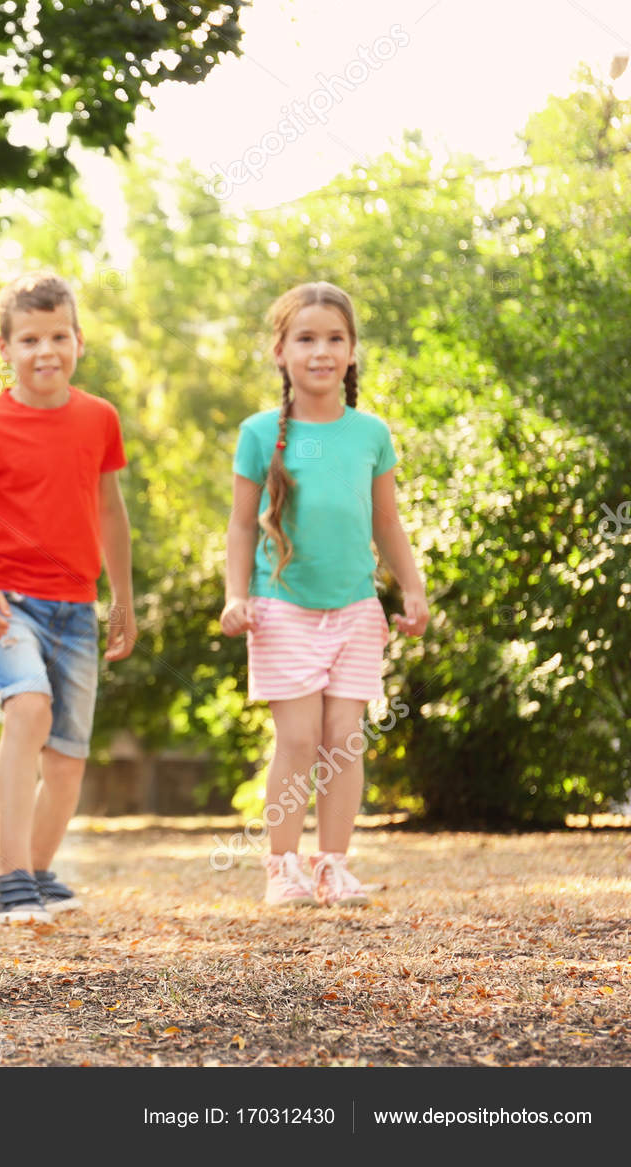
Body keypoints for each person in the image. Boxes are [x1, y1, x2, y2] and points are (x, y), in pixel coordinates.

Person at [220, 281, 428, 907]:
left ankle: (332, 866)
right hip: (282, 606)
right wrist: (236, 595)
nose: (321, 351)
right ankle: (282, 867)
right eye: (306, 338)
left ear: (353, 351)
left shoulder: (370, 433)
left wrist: (410, 588)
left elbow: (386, 521)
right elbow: (238, 524)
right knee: (300, 740)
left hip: (356, 609)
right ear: (280, 351)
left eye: (335, 338)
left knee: (345, 739)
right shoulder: (260, 433)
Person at [0, 272, 135, 925]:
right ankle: (10, 877)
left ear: (78, 340)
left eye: (58, 336)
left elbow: (111, 511)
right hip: (8, 601)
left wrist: (125, 601)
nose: (45, 350)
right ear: (5, 347)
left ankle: (40, 873)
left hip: (79, 608)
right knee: (28, 710)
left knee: (69, 760)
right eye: (29, 339)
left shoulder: (99, 418)